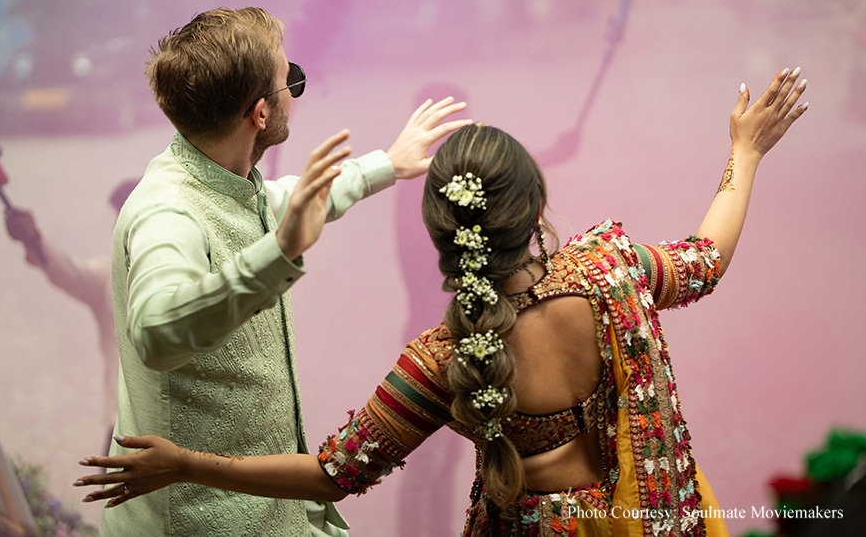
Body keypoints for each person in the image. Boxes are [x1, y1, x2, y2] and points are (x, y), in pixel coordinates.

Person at [75, 68, 808, 537]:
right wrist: (744, 152)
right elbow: (705, 259)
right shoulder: (611, 271)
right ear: (538, 205)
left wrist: (188, 464)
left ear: (440, 232)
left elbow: (334, 471)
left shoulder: (445, 359)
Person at [96, 6, 469, 537]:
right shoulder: (167, 213)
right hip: (201, 522)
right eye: (288, 80)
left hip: (261, 511)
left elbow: (285, 200)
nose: (295, 91)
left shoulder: (219, 178)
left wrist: (387, 162)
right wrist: (280, 253)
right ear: (261, 114)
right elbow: (157, 333)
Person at [4, 178, 138, 451]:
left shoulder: (192, 277)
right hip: (122, 427)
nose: (119, 226)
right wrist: (33, 238)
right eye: (118, 218)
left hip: (176, 429)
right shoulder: (108, 277)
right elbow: (65, 270)